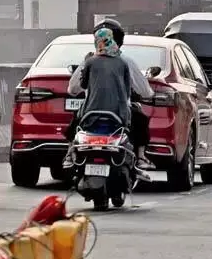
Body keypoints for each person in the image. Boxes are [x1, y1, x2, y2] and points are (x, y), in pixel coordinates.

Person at [64, 19, 155, 169]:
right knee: (140, 118)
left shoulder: (89, 61)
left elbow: (74, 89)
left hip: (90, 115)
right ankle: (140, 158)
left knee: (76, 120)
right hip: (119, 114)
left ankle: (69, 153)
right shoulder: (125, 62)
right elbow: (136, 90)